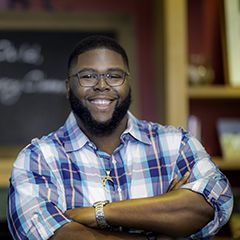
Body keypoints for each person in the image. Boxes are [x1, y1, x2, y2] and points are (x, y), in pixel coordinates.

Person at [7, 35, 233, 240]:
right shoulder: (37, 159)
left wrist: (98, 214)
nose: (102, 85)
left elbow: (215, 201)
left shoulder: (176, 145)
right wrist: (156, 233)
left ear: (128, 83)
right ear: (68, 87)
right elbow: (51, 236)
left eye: (114, 76)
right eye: (88, 76)